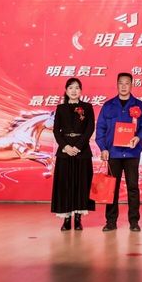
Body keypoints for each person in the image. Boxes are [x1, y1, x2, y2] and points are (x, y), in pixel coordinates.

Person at [95, 72, 142, 232]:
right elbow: (100, 129)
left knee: (133, 188)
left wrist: (138, 138)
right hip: (113, 153)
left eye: (127, 83)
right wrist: (103, 148)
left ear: (131, 85)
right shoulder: (108, 105)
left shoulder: (139, 106)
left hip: (132, 153)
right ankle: (111, 222)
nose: (124, 86)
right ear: (117, 85)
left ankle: (134, 222)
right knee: (111, 188)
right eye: (121, 83)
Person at [51, 77, 95, 231]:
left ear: (81, 91)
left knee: (81, 184)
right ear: (66, 90)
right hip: (65, 153)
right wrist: (66, 147)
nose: (74, 91)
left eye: (77, 88)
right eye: (71, 88)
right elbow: (56, 131)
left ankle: (78, 219)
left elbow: (89, 129)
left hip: (82, 152)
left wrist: (77, 146)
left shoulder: (87, 107)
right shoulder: (61, 108)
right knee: (66, 185)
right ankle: (66, 219)